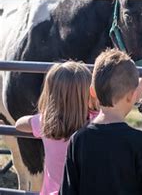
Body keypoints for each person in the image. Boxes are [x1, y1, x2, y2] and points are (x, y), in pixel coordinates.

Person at [61, 46, 142, 195]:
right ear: (132, 95)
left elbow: (68, 191)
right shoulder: (141, 143)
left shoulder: (78, 140)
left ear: (92, 92)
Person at [15, 61, 94, 195]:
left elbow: (19, 124)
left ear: (51, 93)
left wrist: (42, 116)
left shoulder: (46, 122)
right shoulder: (95, 121)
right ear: (88, 92)